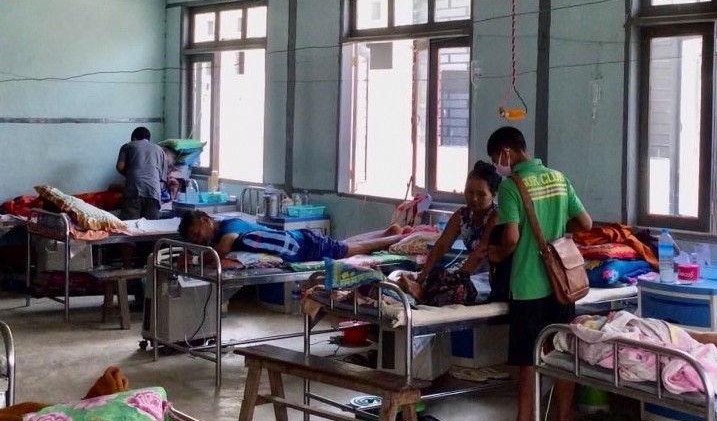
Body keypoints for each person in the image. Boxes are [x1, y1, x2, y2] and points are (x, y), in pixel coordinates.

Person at [475, 126, 592, 421]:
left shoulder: (513, 187)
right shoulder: (558, 177)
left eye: (497, 159)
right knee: (563, 352)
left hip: (529, 284)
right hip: (562, 284)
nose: (498, 165)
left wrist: (498, 253)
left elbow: (510, 237)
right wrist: (557, 234)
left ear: (506, 154)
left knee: (528, 358)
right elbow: (586, 224)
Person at [398, 161, 509, 304]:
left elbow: (480, 253)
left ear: (493, 195)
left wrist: (455, 280)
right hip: (471, 274)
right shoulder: (462, 215)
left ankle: (422, 294)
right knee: (435, 277)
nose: (474, 198)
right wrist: (423, 274)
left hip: (490, 278)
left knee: (451, 290)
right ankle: (420, 289)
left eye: (481, 194)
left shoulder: (496, 216)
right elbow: (441, 247)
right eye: (469, 192)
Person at [177, 210, 404, 263]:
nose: (198, 239)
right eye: (194, 239)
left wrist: (195, 260)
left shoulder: (229, 227)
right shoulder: (222, 228)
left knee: (355, 250)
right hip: (300, 240)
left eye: (197, 233)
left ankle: (400, 239)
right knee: (342, 246)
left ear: (207, 220)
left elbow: (224, 249)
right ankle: (388, 232)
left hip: (302, 245)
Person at [116, 126, 166, 220]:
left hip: (134, 191)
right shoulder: (160, 150)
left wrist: (130, 175)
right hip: (153, 192)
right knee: (151, 227)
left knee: (130, 226)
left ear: (134, 138)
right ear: (148, 139)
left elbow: (120, 166)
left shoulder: (128, 146)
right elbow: (162, 177)